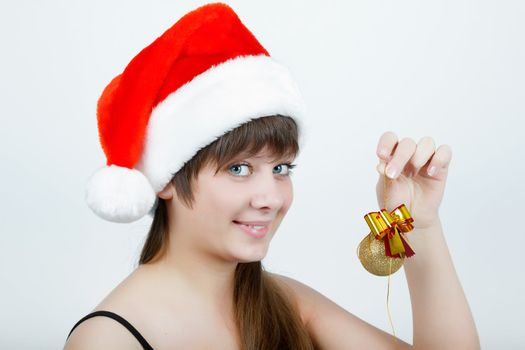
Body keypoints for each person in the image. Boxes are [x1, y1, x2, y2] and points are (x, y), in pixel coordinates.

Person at [64, 3, 480, 349]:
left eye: (281, 168)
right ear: (167, 180)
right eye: (239, 168)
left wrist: (420, 225)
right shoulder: (107, 340)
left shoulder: (284, 302)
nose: (270, 197)